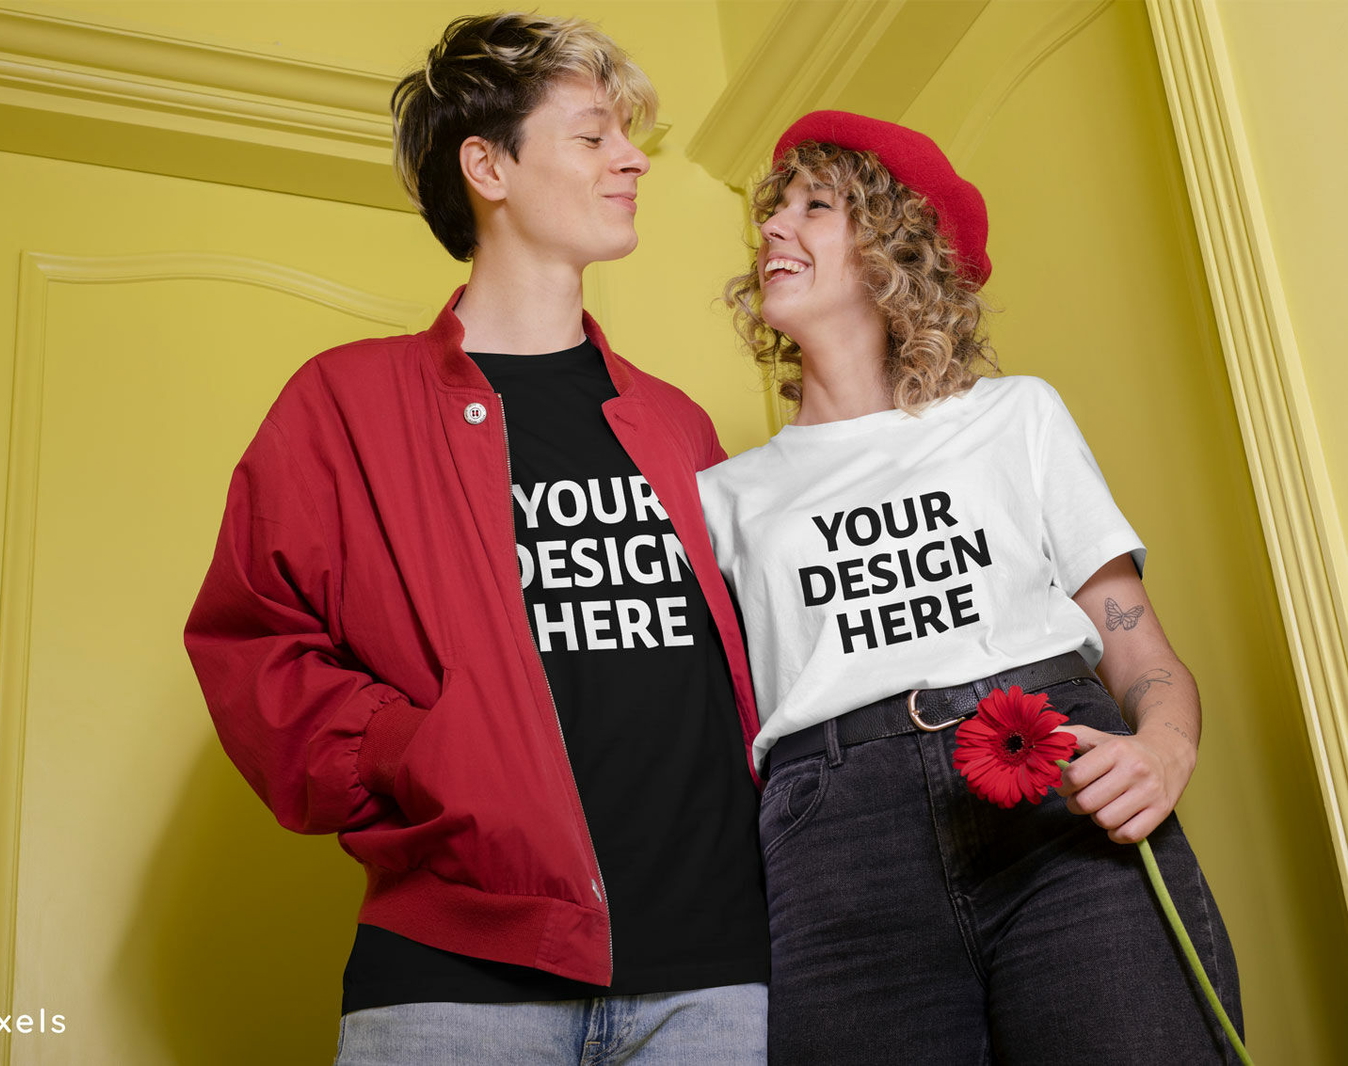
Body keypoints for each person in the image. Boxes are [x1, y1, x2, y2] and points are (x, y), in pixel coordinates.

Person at [184, 13, 769, 1064]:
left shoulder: (677, 423)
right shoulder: (344, 404)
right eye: (593, 136)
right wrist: (415, 746)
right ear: (486, 165)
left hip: (719, 973)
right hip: (455, 981)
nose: (632, 158)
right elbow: (251, 646)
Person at [698, 110, 1244, 1064]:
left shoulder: (1015, 417)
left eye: (814, 206)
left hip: (1052, 796)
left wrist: (1160, 748)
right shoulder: (721, 497)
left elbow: (1141, 649)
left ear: (895, 249)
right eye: (773, 210)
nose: (775, 227)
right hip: (837, 844)